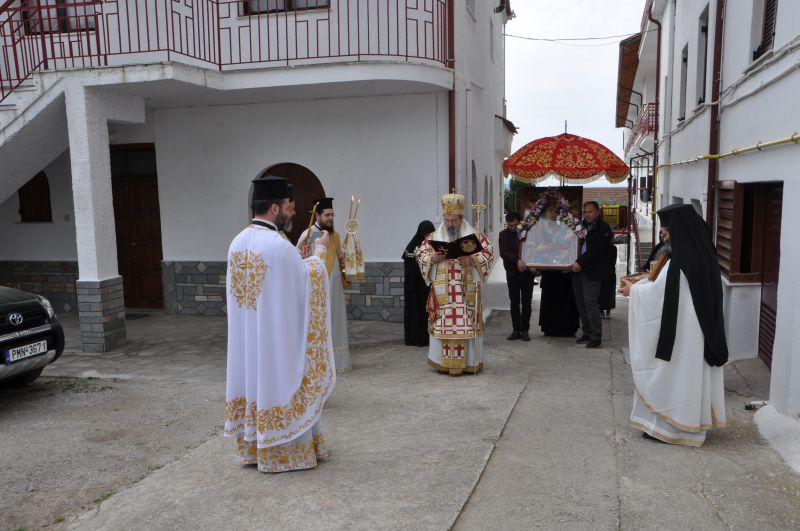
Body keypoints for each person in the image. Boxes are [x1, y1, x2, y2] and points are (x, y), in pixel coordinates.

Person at [224, 175, 335, 473]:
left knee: (255, 381)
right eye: (289, 206)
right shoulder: (278, 246)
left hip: (249, 337)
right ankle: (286, 451)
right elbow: (307, 283)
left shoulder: (236, 243)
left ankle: (254, 447)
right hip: (274, 340)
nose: (293, 212)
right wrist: (321, 252)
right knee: (283, 380)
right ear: (274, 208)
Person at [619, 204, 728, 446]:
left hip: (683, 334)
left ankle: (672, 428)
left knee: (675, 376)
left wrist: (632, 291)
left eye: (667, 232)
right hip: (697, 331)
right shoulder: (704, 254)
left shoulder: (680, 260)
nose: (664, 237)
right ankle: (687, 425)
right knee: (689, 376)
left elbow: (659, 295)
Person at [417, 192, 494, 375]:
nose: (450, 224)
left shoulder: (474, 236)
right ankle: (442, 363)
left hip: (465, 293)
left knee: (466, 324)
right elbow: (421, 255)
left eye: (453, 220)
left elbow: (489, 253)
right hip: (444, 294)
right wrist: (433, 258)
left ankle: (469, 363)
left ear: (460, 219)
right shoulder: (434, 237)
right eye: (447, 220)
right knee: (443, 324)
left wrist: (473, 260)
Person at [297, 198, 352, 373]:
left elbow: (340, 256)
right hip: (316, 289)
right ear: (317, 216)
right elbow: (299, 259)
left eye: (332, 215)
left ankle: (338, 363)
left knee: (336, 321)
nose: (330, 218)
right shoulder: (307, 235)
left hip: (335, 289)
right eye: (327, 215)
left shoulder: (335, 235)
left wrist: (350, 256)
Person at [570, 201, 614, 348]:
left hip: (592, 272)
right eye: (585, 212)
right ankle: (587, 332)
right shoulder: (579, 227)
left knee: (591, 303)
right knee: (580, 303)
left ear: (597, 212)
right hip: (577, 271)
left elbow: (596, 250)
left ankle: (596, 337)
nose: (587, 214)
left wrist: (579, 262)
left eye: (590, 212)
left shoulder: (603, 229)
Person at [499, 211, 535, 341]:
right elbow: (504, 253)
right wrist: (517, 260)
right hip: (512, 273)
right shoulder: (503, 235)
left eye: (515, 225)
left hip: (527, 273)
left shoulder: (529, 234)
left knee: (527, 303)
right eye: (509, 226)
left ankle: (525, 330)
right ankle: (516, 330)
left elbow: (533, 250)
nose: (512, 228)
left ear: (520, 222)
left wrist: (532, 265)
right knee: (514, 303)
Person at [403, 220, 435, 347]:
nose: (427, 236)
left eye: (430, 233)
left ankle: (429, 337)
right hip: (415, 286)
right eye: (425, 233)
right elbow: (409, 264)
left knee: (428, 312)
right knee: (417, 312)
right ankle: (416, 338)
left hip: (428, 286)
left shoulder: (433, 244)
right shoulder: (413, 246)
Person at [599, 244, 618, 319]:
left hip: (602, 273)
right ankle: (607, 312)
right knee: (609, 292)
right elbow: (613, 261)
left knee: (601, 292)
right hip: (610, 272)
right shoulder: (613, 248)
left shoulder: (599, 247)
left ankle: (602, 312)